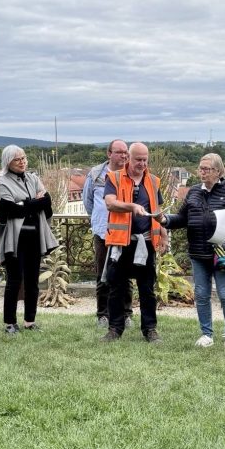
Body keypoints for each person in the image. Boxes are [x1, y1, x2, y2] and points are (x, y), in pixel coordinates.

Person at [159, 153, 225, 347]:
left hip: (222, 253)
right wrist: (165, 220)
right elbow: (181, 218)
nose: (202, 172)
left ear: (218, 171)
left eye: (206, 169)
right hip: (198, 252)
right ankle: (206, 334)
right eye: (200, 168)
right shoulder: (193, 192)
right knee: (201, 295)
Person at [100, 142, 166, 343]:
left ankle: (150, 330)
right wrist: (132, 206)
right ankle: (115, 329)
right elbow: (110, 203)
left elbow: (158, 211)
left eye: (145, 160)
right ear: (128, 158)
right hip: (121, 243)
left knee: (147, 289)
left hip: (146, 242)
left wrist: (164, 234)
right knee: (116, 288)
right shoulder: (114, 177)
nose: (142, 164)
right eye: (138, 159)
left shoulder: (153, 181)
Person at [0, 145, 59, 334]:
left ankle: (30, 321)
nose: (22, 162)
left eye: (23, 158)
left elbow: (47, 203)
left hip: (35, 237)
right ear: (8, 162)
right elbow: (10, 210)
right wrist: (33, 202)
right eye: (17, 159)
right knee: (14, 281)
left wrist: (25, 203)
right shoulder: (2, 183)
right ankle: (10, 323)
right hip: (15, 240)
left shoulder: (33, 178)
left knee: (32, 281)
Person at [81, 140, 133, 327]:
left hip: (126, 232)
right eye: (119, 152)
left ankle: (126, 314)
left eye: (126, 152)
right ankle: (103, 314)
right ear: (109, 154)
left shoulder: (131, 173)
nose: (124, 156)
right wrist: (99, 219)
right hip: (103, 232)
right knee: (102, 274)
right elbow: (88, 202)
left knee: (125, 274)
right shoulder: (96, 174)